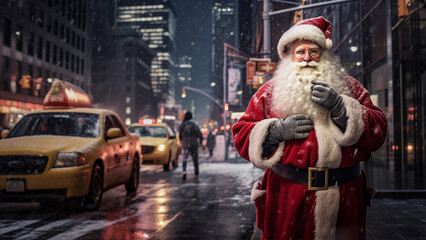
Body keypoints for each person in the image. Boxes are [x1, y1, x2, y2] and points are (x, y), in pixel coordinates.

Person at [232, 16, 387, 240]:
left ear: (323, 55)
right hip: (287, 197)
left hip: (345, 197)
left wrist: (341, 109)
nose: (307, 58)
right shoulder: (269, 91)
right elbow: (241, 134)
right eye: (300, 52)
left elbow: (379, 131)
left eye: (313, 51)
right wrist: (274, 131)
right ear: (290, 56)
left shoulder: (350, 87)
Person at [179, 111, 203, 180]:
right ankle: (196, 172)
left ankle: (184, 171)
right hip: (194, 144)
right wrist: (201, 143)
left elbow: (180, 135)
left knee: (184, 159)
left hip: (185, 144)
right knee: (195, 159)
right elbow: (199, 134)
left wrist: (182, 141)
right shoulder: (194, 125)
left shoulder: (183, 125)